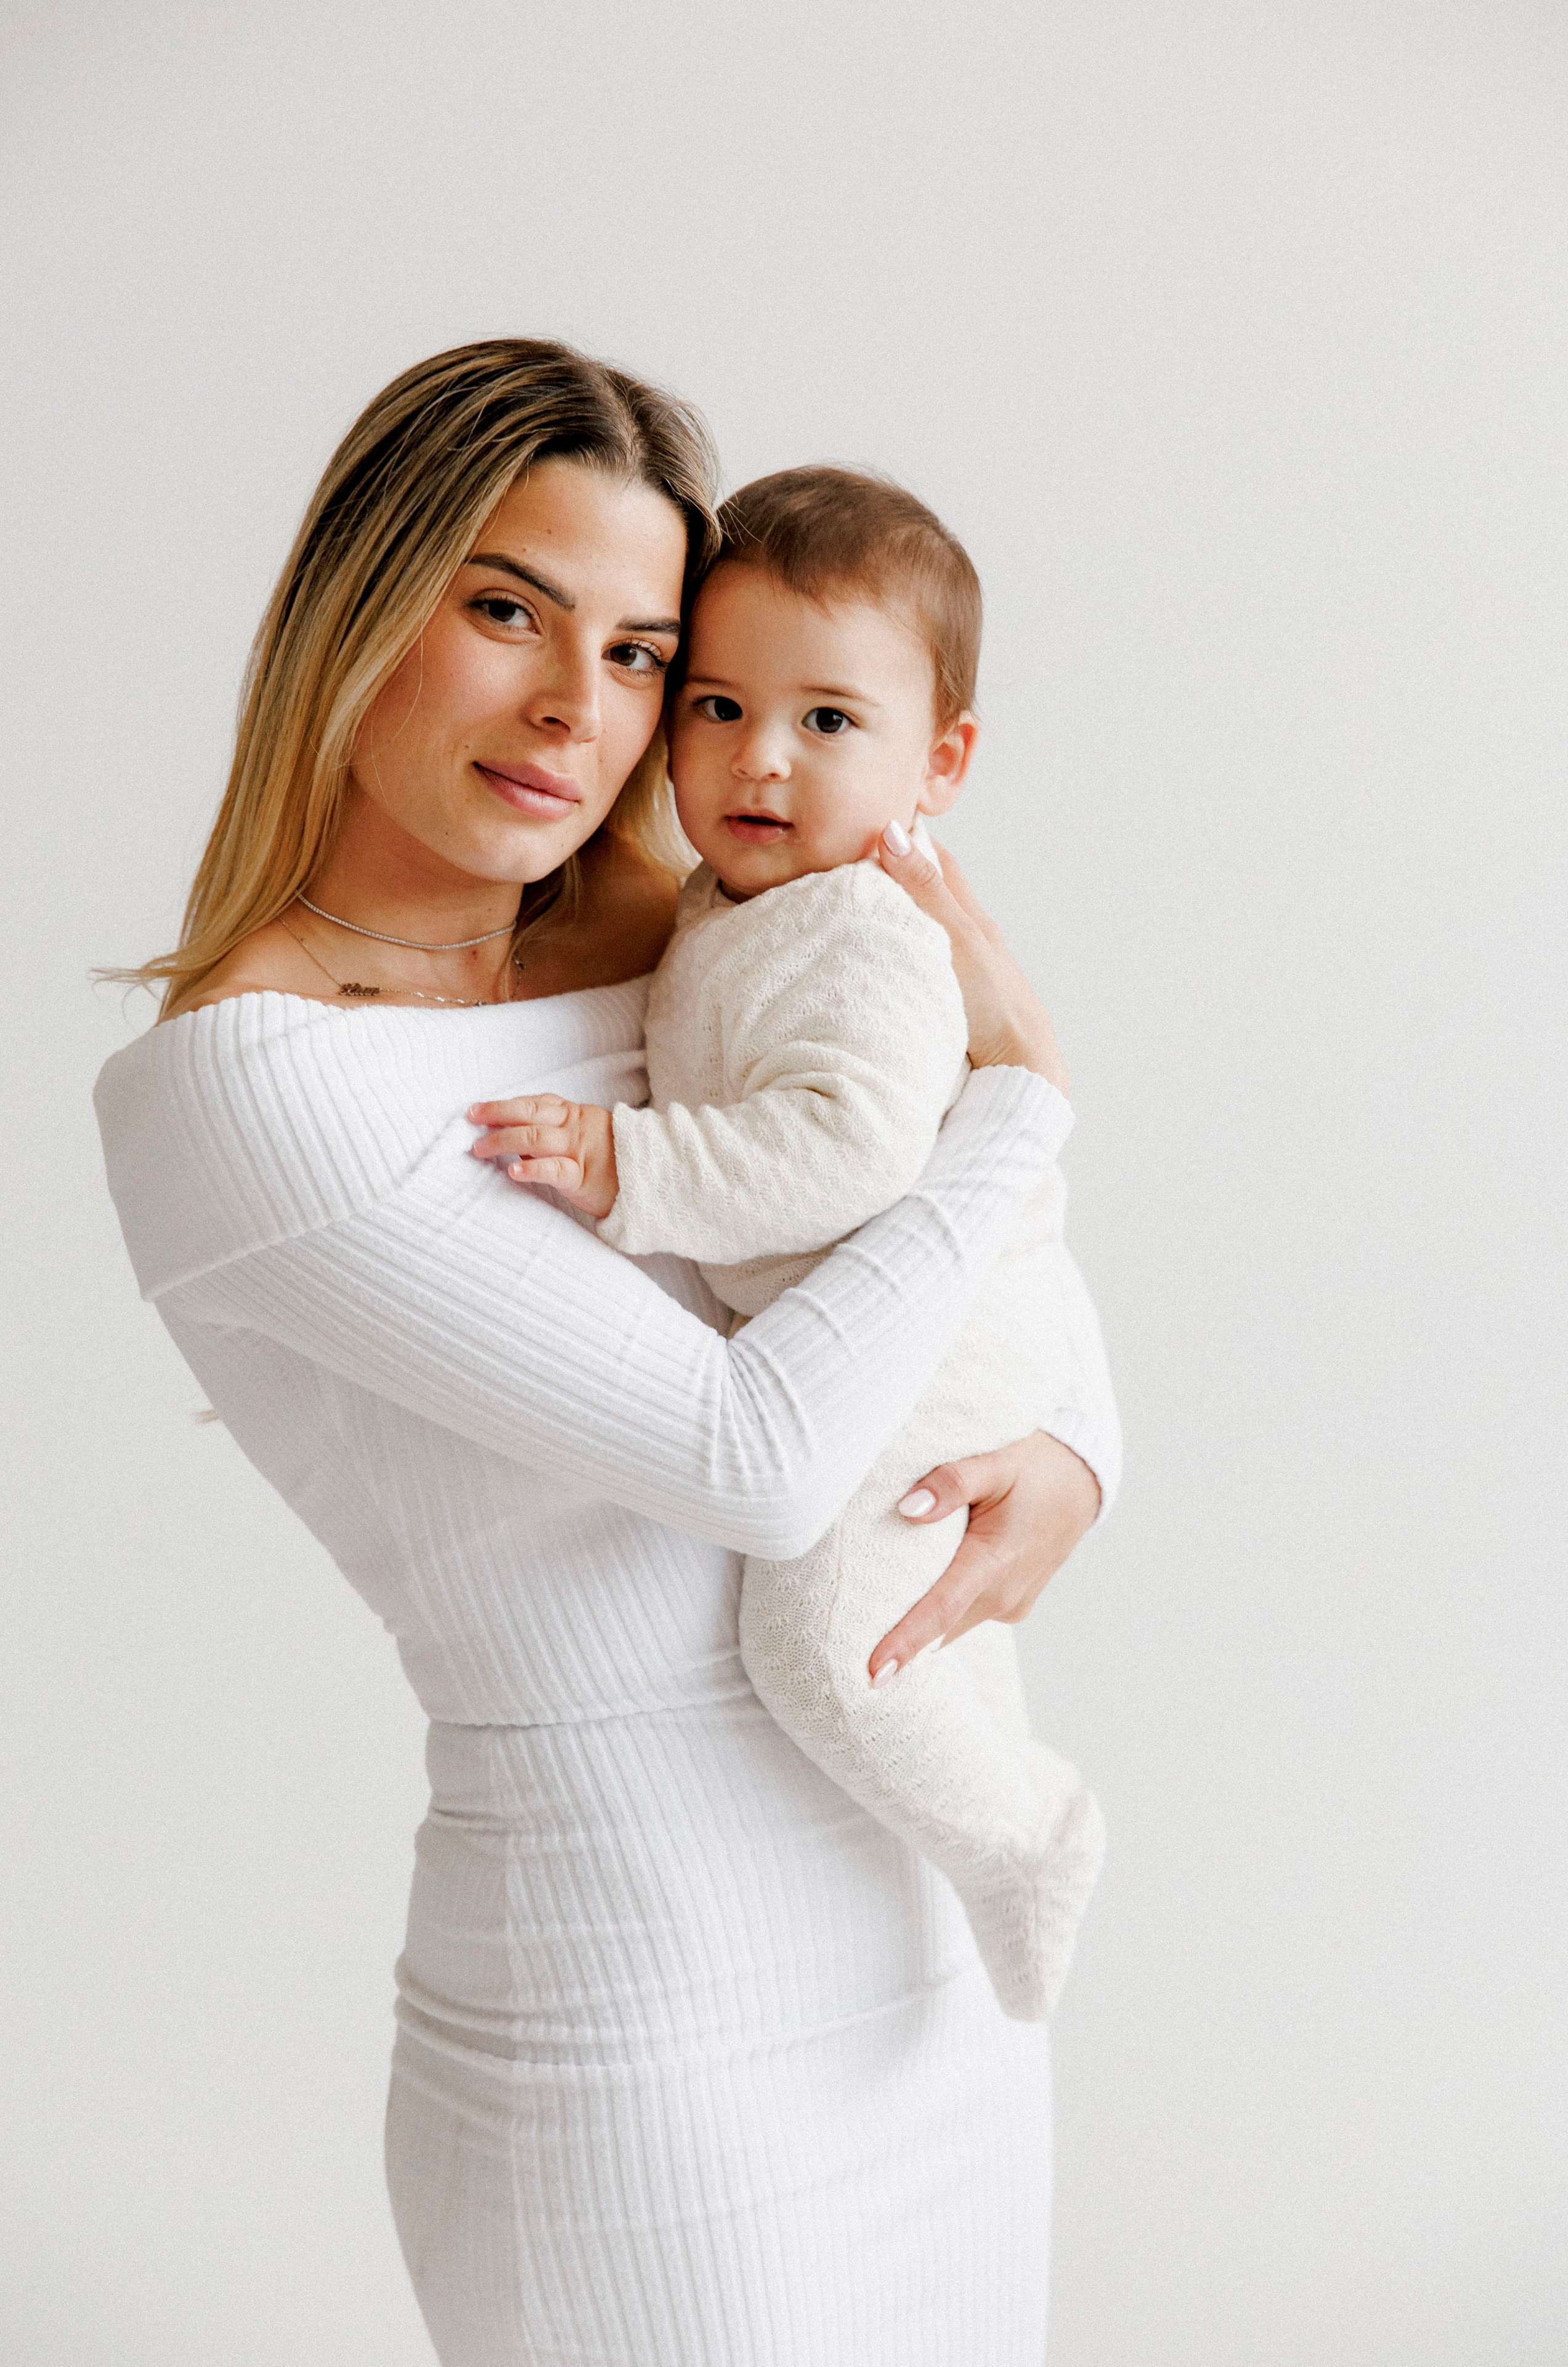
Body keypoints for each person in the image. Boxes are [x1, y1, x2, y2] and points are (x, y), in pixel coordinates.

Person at [93, 339, 1121, 2366]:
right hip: (638, 2037)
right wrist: (1026, 1106)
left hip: (932, 1944)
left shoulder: (697, 928)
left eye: (648, 652)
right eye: (505, 611)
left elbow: (959, 1261)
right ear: (359, 603)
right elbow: (758, 1455)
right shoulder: (252, 1085)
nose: (583, 709)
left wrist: (1086, 1440)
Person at [468, 465, 1110, 2023]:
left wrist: (635, 1163)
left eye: (828, 722)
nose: (759, 760)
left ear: (938, 760)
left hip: (941, 1347)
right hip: (889, 1335)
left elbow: (850, 1147)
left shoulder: (868, 928)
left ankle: (1025, 1836)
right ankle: (993, 1799)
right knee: (928, 1626)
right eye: (714, 706)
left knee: (823, 1633)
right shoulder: (730, 900)